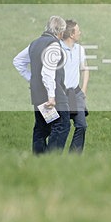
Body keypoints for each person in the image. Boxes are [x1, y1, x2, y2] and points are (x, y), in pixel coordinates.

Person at [13, 15, 71, 155]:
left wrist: (33, 80)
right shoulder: (53, 45)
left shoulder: (34, 44)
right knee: (61, 125)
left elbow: (18, 61)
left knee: (41, 128)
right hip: (53, 97)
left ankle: (38, 161)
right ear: (61, 31)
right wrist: (51, 96)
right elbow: (47, 72)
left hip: (37, 95)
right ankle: (51, 161)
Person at [61, 19, 89, 154]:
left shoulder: (80, 49)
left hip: (76, 94)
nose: (80, 33)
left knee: (82, 125)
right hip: (61, 95)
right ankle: (52, 155)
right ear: (72, 34)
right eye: (78, 31)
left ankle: (74, 157)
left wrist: (83, 90)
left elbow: (85, 69)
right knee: (61, 128)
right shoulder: (57, 49)